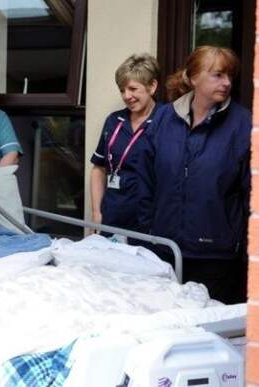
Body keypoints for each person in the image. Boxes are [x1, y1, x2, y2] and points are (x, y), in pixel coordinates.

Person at [134, 46, 250, 304]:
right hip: (163, 251)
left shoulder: (243, 124)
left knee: (209, 335)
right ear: (192, 77)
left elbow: (250, 194)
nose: (227, 82)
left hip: (216, 257)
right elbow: (144, 181)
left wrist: (242, 245)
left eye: (230, 76)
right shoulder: (162, 119)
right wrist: (148, 232)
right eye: (218, 75)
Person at [90, 53, 161, 231]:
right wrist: (96, 213)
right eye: (122, 90)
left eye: (132, 89)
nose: (126, 96)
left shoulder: (167, 120)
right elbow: (98, 168)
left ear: (152, 86)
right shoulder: (114, 121)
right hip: (113, 216)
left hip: (150, 222)